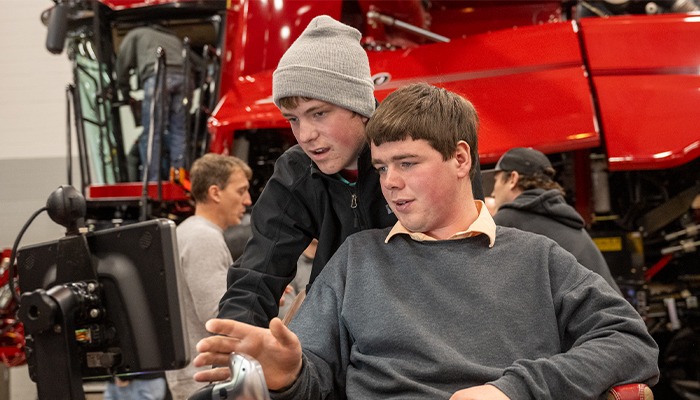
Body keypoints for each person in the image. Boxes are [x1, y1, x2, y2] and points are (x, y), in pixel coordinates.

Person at [192, 83, 659, 399]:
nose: (390, 182)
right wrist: (289, 375)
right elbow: (314, 378)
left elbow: (630, 343)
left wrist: (514, 389)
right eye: (380, 167)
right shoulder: (358, 259)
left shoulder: (537, 258)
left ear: (460, 159)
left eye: (407, 163)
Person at [216, 14, 485, 326]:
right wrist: (232, 341)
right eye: (293, 119)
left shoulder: (425, 152)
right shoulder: (296, 173)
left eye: (319, 113)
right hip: (339, 334)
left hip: (427, 330)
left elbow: (465, 255)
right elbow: (258, 272)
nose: (305, 135)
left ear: (359, 107)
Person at [165, 153, 253, 399]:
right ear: (215, 193)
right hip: (207, 377)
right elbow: (218, 314)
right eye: (241, 191)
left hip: (198, 375)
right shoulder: (203, 238)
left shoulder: (189, 231)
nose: (247, 201)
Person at [490, 147, 621, 293]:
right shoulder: (566, 221)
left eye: (496, 181)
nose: (493, 192)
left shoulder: (507, 221)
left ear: (512, 179)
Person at [115, 25, 191, 181]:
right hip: (185, 78)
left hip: (158, 75)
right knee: (179, 131)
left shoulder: (136, 33)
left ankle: (152, 180)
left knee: (152, 132)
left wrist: (123, 89)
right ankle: (178, 176)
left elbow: (122, 63)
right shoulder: (174, 39)